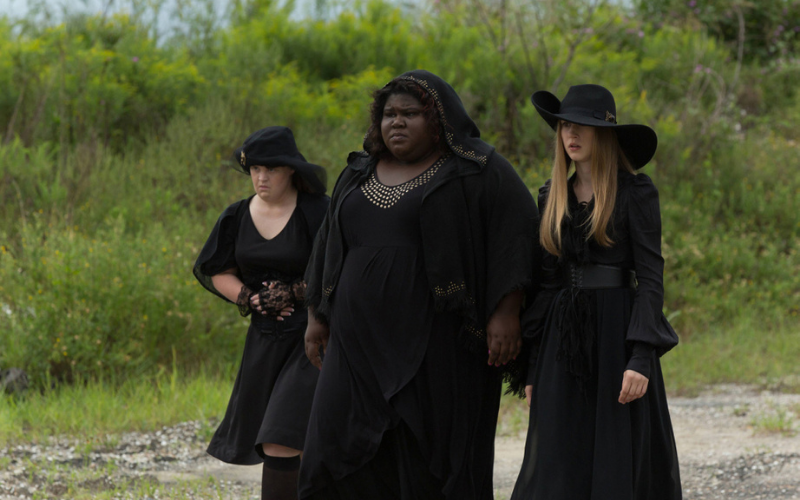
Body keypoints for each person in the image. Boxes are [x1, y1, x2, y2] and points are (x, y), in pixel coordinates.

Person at [298, 70, 538, 500]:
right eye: (389, 113)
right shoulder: (357, 171)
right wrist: (317, 316)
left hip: (436, 347)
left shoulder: (476, 169)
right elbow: (327, 247)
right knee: (331, 450)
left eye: (411, 113)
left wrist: (507, 310)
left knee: (428, 457)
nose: (397, 122)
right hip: (356, 347)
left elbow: (517, 235)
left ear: (439, 119)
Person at [510, 84, 682, 500]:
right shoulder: (552, 197)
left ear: (604, 135)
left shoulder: (635, 193)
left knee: (617, 457)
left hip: (617, 338)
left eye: (583, 127)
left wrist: (640, 357)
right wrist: (533, 369)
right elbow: (548, 284)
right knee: (557, 458)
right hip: (562, 341)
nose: (572, 135)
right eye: (567, 126)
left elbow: (650, 278)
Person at [193, 126, 329, 500]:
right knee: (287, 440)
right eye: (254, 169)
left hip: (314, 340)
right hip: (264, 343)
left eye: (271, 169)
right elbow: (216, 270)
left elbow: (341, 268)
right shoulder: (237, 215)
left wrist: (298, 291)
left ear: (291, 171)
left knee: (282, 438)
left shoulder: (319, 211)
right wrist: (250, 298)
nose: (261, 177)